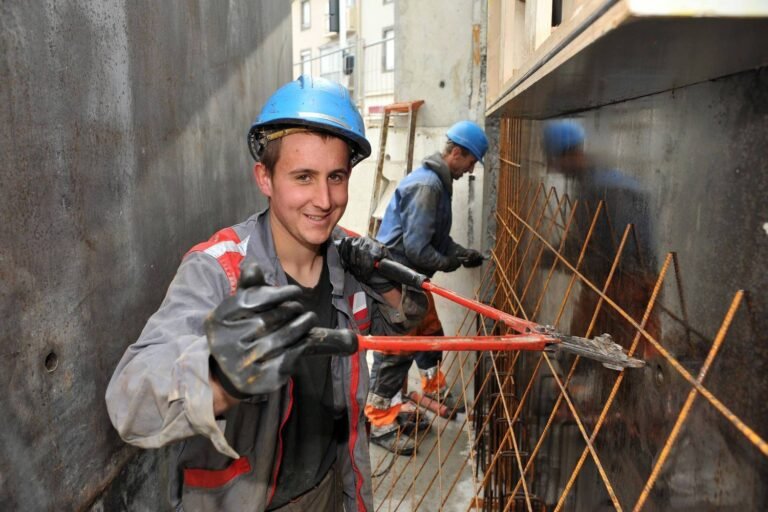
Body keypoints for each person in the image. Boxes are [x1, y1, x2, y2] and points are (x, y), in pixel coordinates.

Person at [105, 75, 427, 512]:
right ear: (265, 178)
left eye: (336, 176)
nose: (325, 199)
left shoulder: (346, 262)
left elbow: (408, 327)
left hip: (330, 488)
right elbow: (128, 400)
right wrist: (219, 378)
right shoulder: (219, 270)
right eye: (303, 177)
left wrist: (387, 283)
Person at [364, 120, 489, 455]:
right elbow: (420, 250)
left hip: (410, 275)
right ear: (457, 153)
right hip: (395, 277)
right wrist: (450, 262)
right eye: (472, 160)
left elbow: (435, 237)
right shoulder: (429, 186)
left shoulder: (438, 183)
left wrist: (459, 251)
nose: (472, 168)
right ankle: (379, 421)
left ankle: (429, 390)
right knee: (398, 349)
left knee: (430, 331)